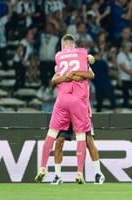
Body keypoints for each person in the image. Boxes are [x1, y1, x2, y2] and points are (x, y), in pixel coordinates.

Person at [35, 34, 94, 184]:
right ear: (74, 45)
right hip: (78, 101)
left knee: (51, 134)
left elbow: (55, 78)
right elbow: (90, 73)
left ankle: (42, 168)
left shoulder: (58, 57)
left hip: (61, 100)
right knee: (81, 136)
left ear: (62, 46)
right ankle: (79, 173)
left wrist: (66, 76)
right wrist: (85, 64)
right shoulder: (82, 54)